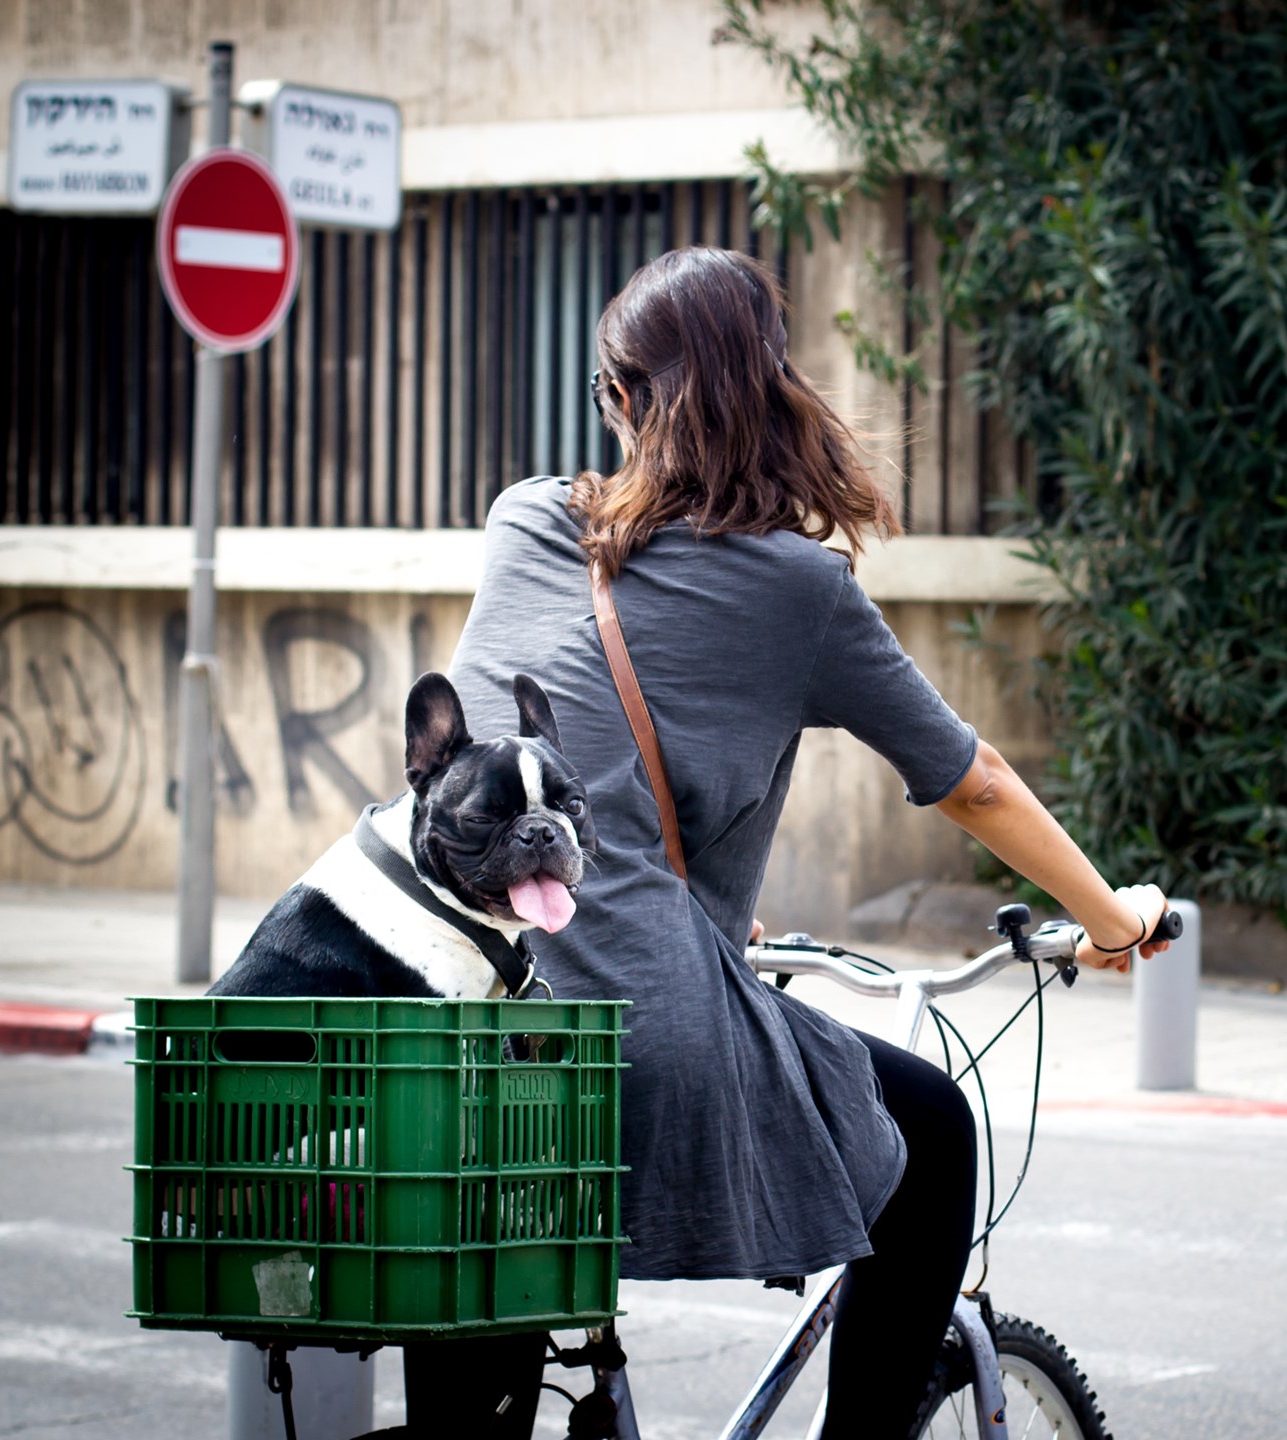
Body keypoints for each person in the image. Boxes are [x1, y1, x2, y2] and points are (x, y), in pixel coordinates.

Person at [438, 245, 1170, 1439]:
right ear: (769, 393)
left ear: (624, 401)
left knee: (503, 1240)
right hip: (636, 1030)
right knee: (932, 1133)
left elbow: (545, 754)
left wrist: (689, 909)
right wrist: (1109, 919)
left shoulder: (526, 521)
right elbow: (972, 782)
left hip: (457, 1019)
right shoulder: (798, 590)